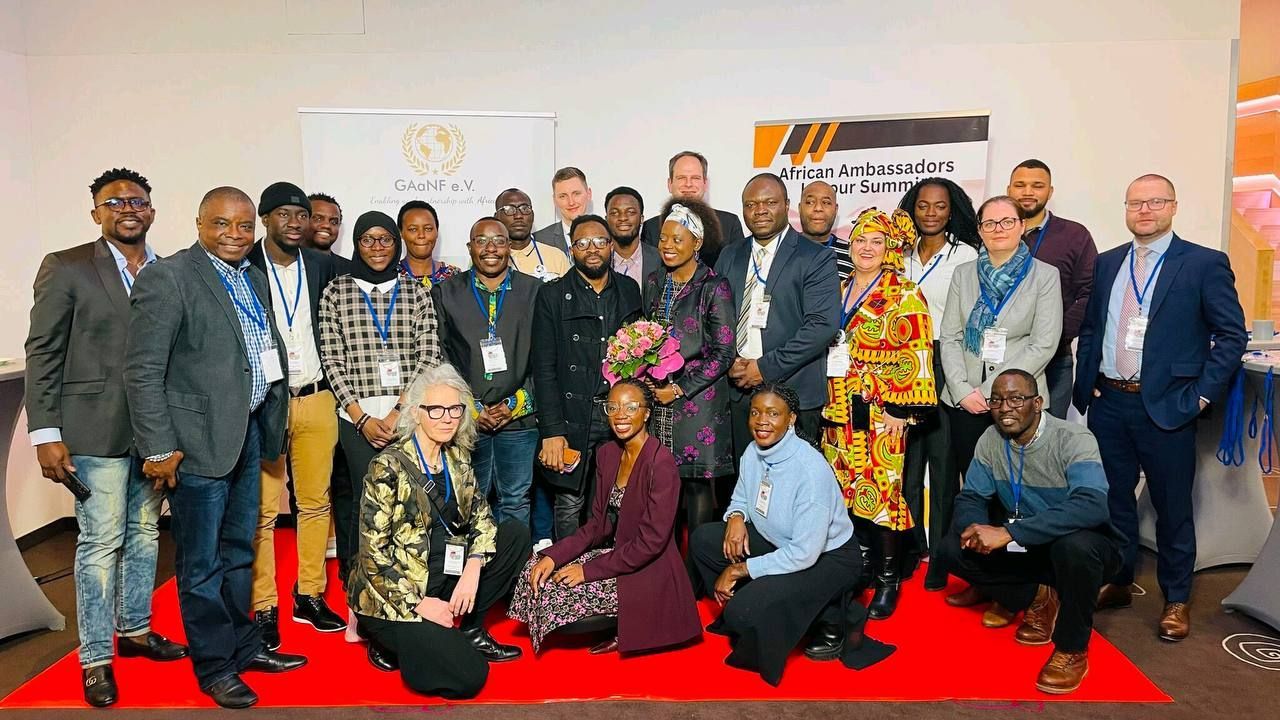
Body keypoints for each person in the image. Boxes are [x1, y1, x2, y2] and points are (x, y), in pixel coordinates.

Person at [125, 187, 306, 709]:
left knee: (239, 552)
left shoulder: (249, 275)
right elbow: (142, 371)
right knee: (201, 563)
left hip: (245, 434)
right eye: (222, 224)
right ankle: (215, 666)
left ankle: (244, 647)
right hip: (194, 444)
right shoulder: (170, 276)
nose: (234, 235)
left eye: (244, 226)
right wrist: (158, 447)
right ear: (199, 222)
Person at [24, 168, 186, 707]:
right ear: (96, 213)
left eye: (137, 200)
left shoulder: (167, 271)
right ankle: (95, 656)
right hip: (94, 429)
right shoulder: (67, 267)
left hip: (155, 431)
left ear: (152, 211)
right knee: (100, 542)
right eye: (113, 202)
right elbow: (43, 351)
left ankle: (135, 630)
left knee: (144, 534)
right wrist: (45, 432)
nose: (127, 209)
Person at [1074, 174, 1246, 642]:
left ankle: (1175, 597)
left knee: (1173, 508)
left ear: (1173, 206)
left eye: (1154, 202)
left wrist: (1203, 395)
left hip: (1169, 407)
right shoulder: (1109, 263)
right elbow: (1091, 328)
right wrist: (1086, 381)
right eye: (1136, 203)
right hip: (1109, 402)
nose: (1144, 211)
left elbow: (1232, 335)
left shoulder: (1203, 263)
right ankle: (1121, 579)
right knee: (1114, 501)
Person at [690, 384, 894, 686]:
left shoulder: (810, 472)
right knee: (704, 541)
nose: (762, 421)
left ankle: (834, 618)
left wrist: (740, 569)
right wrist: (735, 516)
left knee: (743, 612)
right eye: (756, 412)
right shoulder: (753, 451)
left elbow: (803, 553)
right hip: (777, 541)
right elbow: (743, 498)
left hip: (829, 558)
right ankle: (792, 603)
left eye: (774, 414)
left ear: (792, 419)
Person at [936, 370, 1124, 695]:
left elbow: (1093, 505)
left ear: (1037, 403)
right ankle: (1039, 593)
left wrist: (1009, 533)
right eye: (996, 400)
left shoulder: (1073, 438)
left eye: (1016, 399)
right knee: (951, 549)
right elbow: (971, 498)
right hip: (1030, 546)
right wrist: (975, 530)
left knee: (1075, 547)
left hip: (1079, 545)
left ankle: (1071, 649)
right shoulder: (991, 440)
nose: (1005, 408)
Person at [350, 364, 528, 699]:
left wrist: (473, 567)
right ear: (417, 413)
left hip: (443, 576)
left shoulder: (457, 459)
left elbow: (483, 519)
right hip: (397, 596)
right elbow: (372, 557)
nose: (447, 418)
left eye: (455, 409)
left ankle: (469, 627)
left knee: (516, 534)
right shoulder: (386, 467)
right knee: (470, 675)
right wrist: (420, 604)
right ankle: (384, 636)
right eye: (436, 409)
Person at [318, 210, 443, 669]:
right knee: (364, 514)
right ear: (357, 243)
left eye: (385, 239)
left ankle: (409, 601)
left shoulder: (414, 292)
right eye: (368, 239)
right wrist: (359, 415)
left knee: (407, 511)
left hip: (406, 416)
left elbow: (427, 353)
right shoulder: (337, 291)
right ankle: (366, 612)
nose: (377, 246)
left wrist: (396, 412)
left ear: (396, 243)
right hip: (355, 419)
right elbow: (331, 357)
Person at [509, 380, 702, 654]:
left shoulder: (661, 464)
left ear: (646, 413)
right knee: (536, 570)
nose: (620, 415)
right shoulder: (608, 453)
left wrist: (586, 571)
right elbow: (598, 525)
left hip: (649, 570)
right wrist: (554, 555)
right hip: (620, 553)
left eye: (631, 407)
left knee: (558, 592)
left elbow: (650, 544)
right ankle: (616, 618)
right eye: (613, 407)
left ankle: (632, 623)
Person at [822, 208, 936, 620]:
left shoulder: (905, 293)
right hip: (836, 408)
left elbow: (918, 352)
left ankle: (889, 579)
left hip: (881, 411)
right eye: (859, 241)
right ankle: (861, 570)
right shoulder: (838, 288)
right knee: (845, 492)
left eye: (876, 242)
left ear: (889, 249)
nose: (866, 248)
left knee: (884, 495)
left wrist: (902, 410)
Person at [245, 182, 344, 651]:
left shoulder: (322, 265)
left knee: (315, 502)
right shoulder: (244, 267)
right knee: (264, 511)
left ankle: (309, 595)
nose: (296, 222)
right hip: (267, 400)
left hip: (319, 397)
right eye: (284, 214)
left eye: (301, 215)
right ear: (265, 218)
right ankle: (263, 605)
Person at [939, 195, 1062, 541]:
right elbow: (949, 337)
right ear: (979, 230)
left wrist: (991, 391)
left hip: (1017, 403)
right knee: (976, 490)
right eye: (989, 223)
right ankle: (981, 575)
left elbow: (1044, 343)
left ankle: (1020, 583)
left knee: (1016, 490)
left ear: (1023, 227)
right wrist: (963, 390)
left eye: (1007, 221)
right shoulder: (964, 274)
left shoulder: (1045, 276)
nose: (999, 229)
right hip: (965, 402)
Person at [532, 214, 642, 539]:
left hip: (616, 413)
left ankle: (609, 571)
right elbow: (544, 368)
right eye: (582, 243)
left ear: (611, 246)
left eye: (599, 242)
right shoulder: (552, 295)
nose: (591, 249)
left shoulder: (628, 289)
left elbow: (640, 356)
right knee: (568, 501)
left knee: (616, 497)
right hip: (571, 416)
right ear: (571, 249)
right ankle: (564, 579)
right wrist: (552, 431)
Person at [714, 173, 839, 451]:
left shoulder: (815, 257)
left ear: (786, 205)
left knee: (792, 489)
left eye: (769, 202)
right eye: (750, 204)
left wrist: (764, 368)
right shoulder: (729, 255)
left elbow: (822, 326)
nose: (759, 210)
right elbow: (715, 319)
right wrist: (729, 360)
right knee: (743, 483)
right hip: (737, 391)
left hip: (793, 393)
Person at [896, 177, 981, 590]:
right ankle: (912, 549)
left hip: (945, 363)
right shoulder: (899, 256)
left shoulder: (966, 256)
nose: (931, 213)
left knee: (943, 466)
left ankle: (941, 557)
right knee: (907, 465)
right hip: (902, 367)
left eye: (940, 206)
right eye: (923, 205)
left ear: (953, 211)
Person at [432, 218, 540, 525]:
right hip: (465, 422)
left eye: (499, 241)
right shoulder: (446, 293)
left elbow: (546, 359)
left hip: (519, 422)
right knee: (465, 501)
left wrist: (515, 404)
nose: (490, 248)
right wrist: (472, 408)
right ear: (470, 248)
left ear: (510, 247)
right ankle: (472, 572)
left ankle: (512, 571)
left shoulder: (535, 292)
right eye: (482, 241)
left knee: (516, 500)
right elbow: (440, 358)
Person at [641, 199, 736, 532]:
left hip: (698, 403)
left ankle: (694, 578)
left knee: (696, 486)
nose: (667, 246)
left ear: (696, 243)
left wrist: (679, 389)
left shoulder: (713, 286)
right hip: (658, 400)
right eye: (664, 238)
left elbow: (724, 353)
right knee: (663, 483)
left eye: (677, 239)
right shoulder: (654, 281)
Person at [1008, 160, 1098, 418]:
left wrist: (1055, 334)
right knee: (997, 439)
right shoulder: (994, 231)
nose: (1028, 192)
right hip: (998, 355)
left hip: (1054, 360)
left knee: (1047, 436)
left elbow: (1089, 292)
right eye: (1020, 185)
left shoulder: (1074, 235)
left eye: (1037, 186)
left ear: (1050, 191)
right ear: (1009, 188)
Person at [641, 150, 746, 266]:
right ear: (669, 184)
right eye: (681, 178)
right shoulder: (651, 228)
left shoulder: (730, 224)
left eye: (695, 178)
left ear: (705, 184)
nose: (688, 184)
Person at [495, 187, 571, 281]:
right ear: (497, 217)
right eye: (509, 210)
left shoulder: (556, 257)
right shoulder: (489, 259)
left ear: (532, 215)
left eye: (525, 208)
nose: (518, 216)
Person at [398, 200, 461, 290]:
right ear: (401, 233)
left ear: (436, 231)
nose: (421, 235)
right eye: (413, 229)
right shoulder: (393, 275)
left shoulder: (454, 275)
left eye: (428, 229)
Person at [604, 186, 661, 285]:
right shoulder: (598, 261)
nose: (622, 218)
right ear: (606, 219)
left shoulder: (661, 260)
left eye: (630, 212)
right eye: (614, 213)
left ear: (642, 219)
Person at [798, 180, 852, 282]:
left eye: (826, 203)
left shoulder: (852, 254)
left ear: (835, 210)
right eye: (810, 202)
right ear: (800, 208)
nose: (818, 208)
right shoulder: (780, 249)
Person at [533, 166, 592, 253]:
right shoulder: (538, 241)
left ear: (589, 194)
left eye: (576, 194)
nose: (571, 202)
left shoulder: (607, 235)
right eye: (563, 196)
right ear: (554, 200)